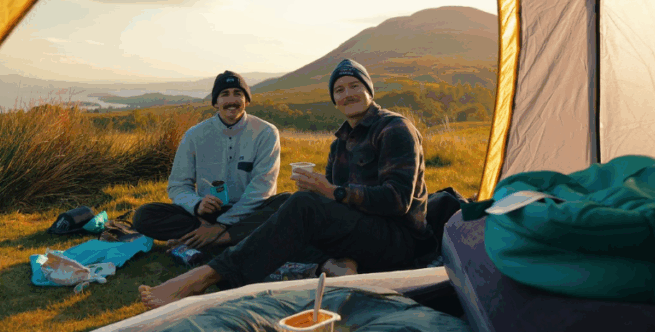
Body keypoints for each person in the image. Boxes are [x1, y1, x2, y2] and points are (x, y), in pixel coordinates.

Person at [139, 59, 437, 309]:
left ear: (369, 90)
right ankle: (334, 263)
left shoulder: (395, 128)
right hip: (357, 232)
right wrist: (322, 195)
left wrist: (331, 193)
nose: (347, 94)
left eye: (354, 86)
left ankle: (204, 276)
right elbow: (178, 186)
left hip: (398, 240)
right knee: (290, 208)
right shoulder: (341, 141)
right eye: (339, 89)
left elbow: (397, 201)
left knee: (296, 208)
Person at [131, 71, 282, 251]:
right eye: (224, 94)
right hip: (206, 215)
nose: (231, 100)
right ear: (215, 102)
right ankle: (224, 238)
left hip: (249, 212)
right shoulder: (195, 135)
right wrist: (197, 205)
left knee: (285, 203)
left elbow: (262, 190)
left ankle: (211, 240)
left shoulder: (266, 132)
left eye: (238, 94)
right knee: (144, 215)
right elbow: (178, 185)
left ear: (247, 100)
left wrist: (222, 225)